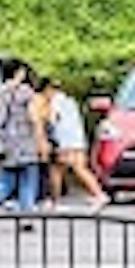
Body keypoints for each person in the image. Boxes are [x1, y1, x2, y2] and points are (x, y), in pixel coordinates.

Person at [0, 60, 45, 226]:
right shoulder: (26, 92)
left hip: (6, 142)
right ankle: (26, 218)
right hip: (25, 141)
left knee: (6, 179)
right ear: (19, 73)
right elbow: (34, 118)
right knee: (28, 180)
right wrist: (41, 141)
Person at [44, 72, 104, 207]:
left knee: (63, 169)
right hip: (77, 140)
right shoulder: (70, 101)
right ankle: (97, 193)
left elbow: (52, 121)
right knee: (70, 169)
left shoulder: (55, 102)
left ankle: (98, 194)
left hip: (64, 142)